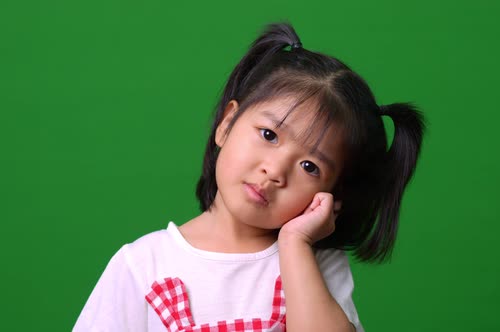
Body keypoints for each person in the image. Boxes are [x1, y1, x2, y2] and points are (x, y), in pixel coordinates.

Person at [74, 21, 426, 332]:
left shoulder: (313, 265)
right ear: (227, 124)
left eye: (309, 167)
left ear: (331, 195)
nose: (274, 171)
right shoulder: (142, 266)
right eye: (269, 135)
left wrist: (293, 245)